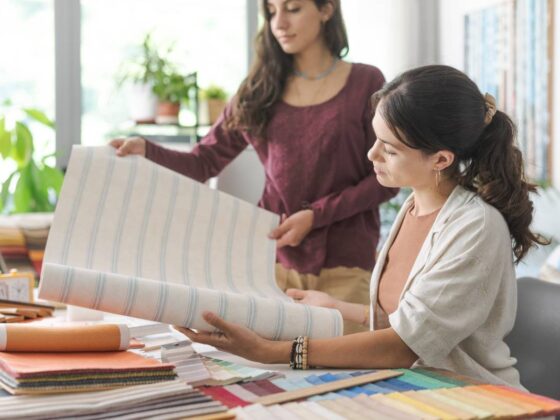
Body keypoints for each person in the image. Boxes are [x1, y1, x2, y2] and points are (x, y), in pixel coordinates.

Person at [175, 64, 548, 388]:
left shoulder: (475, 227)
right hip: (419, 389)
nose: (372, 155)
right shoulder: (415, 206)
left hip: (474, 398)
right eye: (375, 139)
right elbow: (410, 321)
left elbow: (403, 346)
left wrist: (273, 352)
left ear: (441, 159)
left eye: (390, 148)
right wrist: (336, 307)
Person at [111, 0, 397, 334]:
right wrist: (147, 150)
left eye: (293, 9)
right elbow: (203, 163)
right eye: (272, 12)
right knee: (267, 373)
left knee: (347, 372)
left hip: (346, 267)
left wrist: (316, 216)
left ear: (326, 9)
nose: (279, 23)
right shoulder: (259, 90)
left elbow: (387, 180)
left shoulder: (365, 82)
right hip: (268, 264)